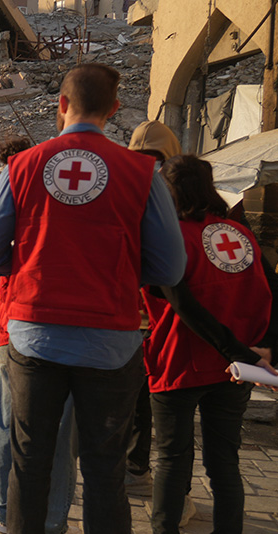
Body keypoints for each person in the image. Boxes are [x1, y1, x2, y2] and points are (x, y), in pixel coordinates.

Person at [0, 63, 186, 534]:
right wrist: (115, 272)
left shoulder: (21, 167)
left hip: (33, 337)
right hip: (111, 345)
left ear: (60, 103)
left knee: (29, 464)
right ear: (115, 110)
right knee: (105, 473)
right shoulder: (142, 173)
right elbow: (170, 266)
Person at [129, 155, 278, 534]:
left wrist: (234, 350)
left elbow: (183, 305)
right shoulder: (240, 234)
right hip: (236, 371)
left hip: (182, 362)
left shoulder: (172, 237)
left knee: (173, 462)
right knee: (225, 465)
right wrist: (264, 347)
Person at [0, 135, 83, 534]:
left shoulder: (15, 189)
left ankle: (4, 513)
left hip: (12, 325)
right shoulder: (70, 192)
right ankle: (48, 524)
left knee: (10, 425)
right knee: (60, 432)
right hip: (58, 327)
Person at [123, 121, 184, 500]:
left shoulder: (184, 199)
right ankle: (137, 468)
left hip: (160, 318)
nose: (152, 167)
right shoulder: (138, 191)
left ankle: (164, 482)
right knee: (140, 401)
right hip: (141, 317)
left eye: (156, 160)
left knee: (156, 404)